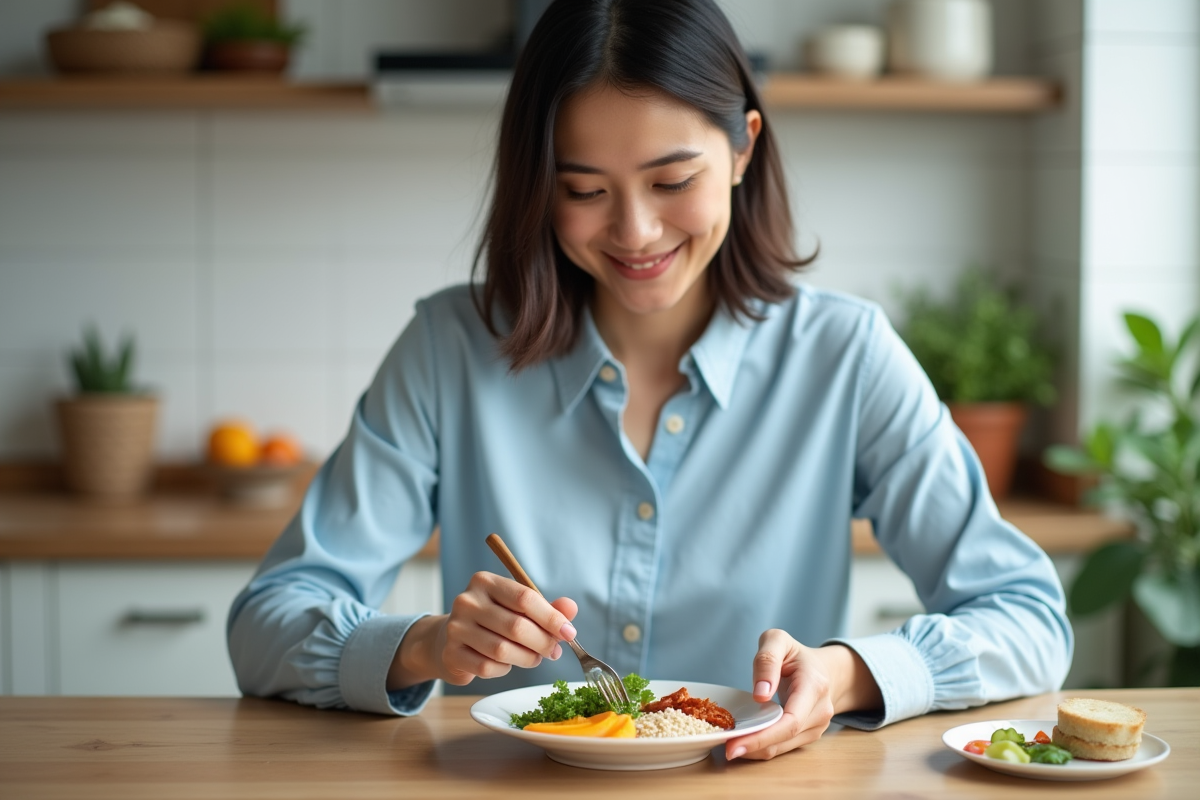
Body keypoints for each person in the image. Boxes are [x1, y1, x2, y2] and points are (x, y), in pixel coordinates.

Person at [228, 0, 1072, 761]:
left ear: (744, 147)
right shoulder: (450, 347)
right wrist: (425, 645)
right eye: (584, 190)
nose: (635, 232)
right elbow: (267, 624)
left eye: (672, 182)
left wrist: (849, 674)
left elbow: (1028, 619)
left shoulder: (844, 356)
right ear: (537, 188)